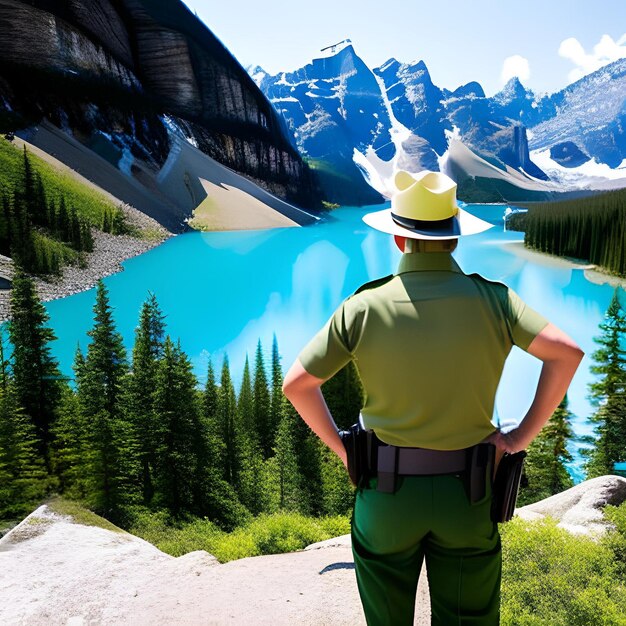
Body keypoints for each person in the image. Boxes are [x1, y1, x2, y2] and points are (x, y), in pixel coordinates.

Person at [282, 170, 584, 625]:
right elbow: (566, 353)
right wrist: (519, 437)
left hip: (385, 498)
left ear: (400, 240)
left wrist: (344, 450)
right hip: (469, 495)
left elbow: (297, 385)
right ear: (455, 238)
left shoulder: (364, 305)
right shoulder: (495, 300)